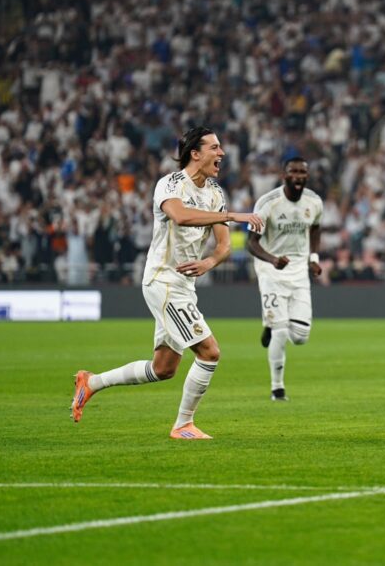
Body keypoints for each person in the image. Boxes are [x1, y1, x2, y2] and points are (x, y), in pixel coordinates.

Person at [71, 127, 263, 439]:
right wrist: (233, 216)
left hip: (184, 285)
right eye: (215, 147)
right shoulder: (170, 184)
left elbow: (224, 245)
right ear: (195, 153)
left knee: (163, 368)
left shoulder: (215, 193)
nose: (222, 153)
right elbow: (180, 215)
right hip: (163, 280)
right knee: (210, 352)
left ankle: (91, 382)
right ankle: (184, 425)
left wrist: (209, 262)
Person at [247, 157, 323, 401]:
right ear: (284, 175)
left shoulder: (314, 202)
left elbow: (315, 228)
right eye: (293, 171)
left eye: (302, 172)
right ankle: (277, 388)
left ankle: (271, 324)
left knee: (300, 337)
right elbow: (251, 243)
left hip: (299, 270)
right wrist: (272, 260)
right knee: (281, 331)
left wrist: (313, 258)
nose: (298, 176)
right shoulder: (267, 203)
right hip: (271, 271)